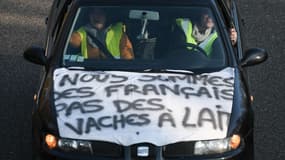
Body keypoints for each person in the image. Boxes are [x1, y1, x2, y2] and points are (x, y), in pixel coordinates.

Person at [70, 8, 134, 59]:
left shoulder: (117, 31)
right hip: (88, 71)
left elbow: (128, 59)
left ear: (106, 15)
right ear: (88, 16)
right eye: (93, 12)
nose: (96, 16)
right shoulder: (83, 31)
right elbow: (73, 40)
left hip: (113, 71)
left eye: (100, 13)